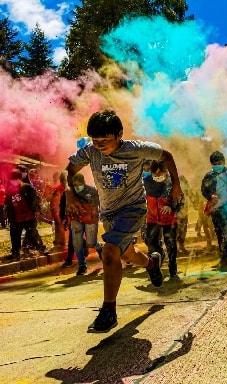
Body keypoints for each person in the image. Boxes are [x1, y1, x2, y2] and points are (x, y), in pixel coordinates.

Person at [65, 109, 182, 333]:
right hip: (109, 214)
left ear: (119, 134)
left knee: (109, 252)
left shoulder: (136, 149)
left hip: (133, 209)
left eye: (105, 141)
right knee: (127, 254)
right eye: (95, 140)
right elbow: (68, 171)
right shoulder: (90, 152)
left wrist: (175, 185)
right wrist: (69, 192)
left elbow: (166, 156)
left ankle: (109, 311)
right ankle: (152, 263)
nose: (99, 145)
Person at [200, 151, 227, 260]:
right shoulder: (208, 176)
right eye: (214, 164)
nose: (217, 165)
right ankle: (222, 250)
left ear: (224, 162)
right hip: (215, 207)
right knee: (218, 229)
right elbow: (203, 190)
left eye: (219, 162)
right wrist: (210, 196)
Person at [143, 160, 179, 277]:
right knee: (151, 243)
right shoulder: (146, 183)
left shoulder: (173, 183)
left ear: (166, 171)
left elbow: (181, 200)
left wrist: (171, 206)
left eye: (160, 174)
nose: (158, 177)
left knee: (171, 244)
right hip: (152, 219)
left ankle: (172, 266)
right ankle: (158, 258)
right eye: (155, 174)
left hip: (170, 220)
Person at [5, 169, 49, 260]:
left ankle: (42, 249)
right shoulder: (10, 190)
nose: (12, 182)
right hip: (15, 218)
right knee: (15, 236)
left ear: (19, 179)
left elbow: (35, 199)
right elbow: (8, 203)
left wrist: (37, 211)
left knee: (33, 234)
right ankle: (15, 253)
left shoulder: (26, 187)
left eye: (14, 179)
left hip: (28, 216)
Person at [67, 173, 103, 276]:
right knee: (77, 242)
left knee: (90, 242)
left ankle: (99, 248)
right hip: (76, 218)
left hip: (90, 219)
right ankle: (82, 265)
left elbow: (99, 204)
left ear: (83, 183)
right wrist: (66, 218)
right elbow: (68, 205)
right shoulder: (71, 192)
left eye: (79, 185)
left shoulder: (92, 190)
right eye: (75, 185)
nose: (77, 187)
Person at [47, 170, 67, 250]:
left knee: (60, 225)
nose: (54, 179)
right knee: (59, 225)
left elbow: (49, 198)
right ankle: (59, 242)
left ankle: (61, 243)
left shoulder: (59, 187)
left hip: (59, 209)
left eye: (56, 178)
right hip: (56, 209)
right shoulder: (55, 187)